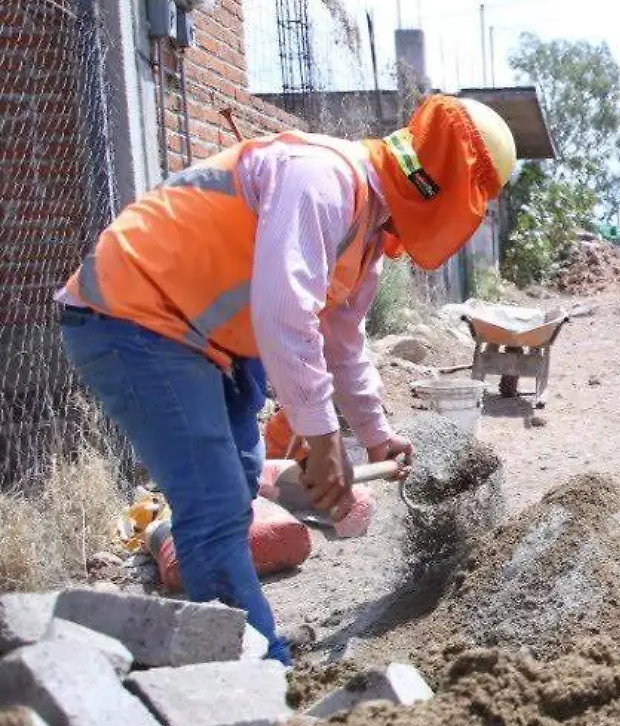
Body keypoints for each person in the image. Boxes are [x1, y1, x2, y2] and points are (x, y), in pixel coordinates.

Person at [58, 95, 517, 663]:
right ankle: (255, 673)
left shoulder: (369, 230)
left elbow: (342, 340)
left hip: (209, 336)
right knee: (216, 504)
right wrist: (324, 443)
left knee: (244, 475)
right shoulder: (321, 179)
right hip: (135, 319)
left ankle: (219, 620)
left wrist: (374, 434)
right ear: (441, 190)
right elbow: (284, 314)